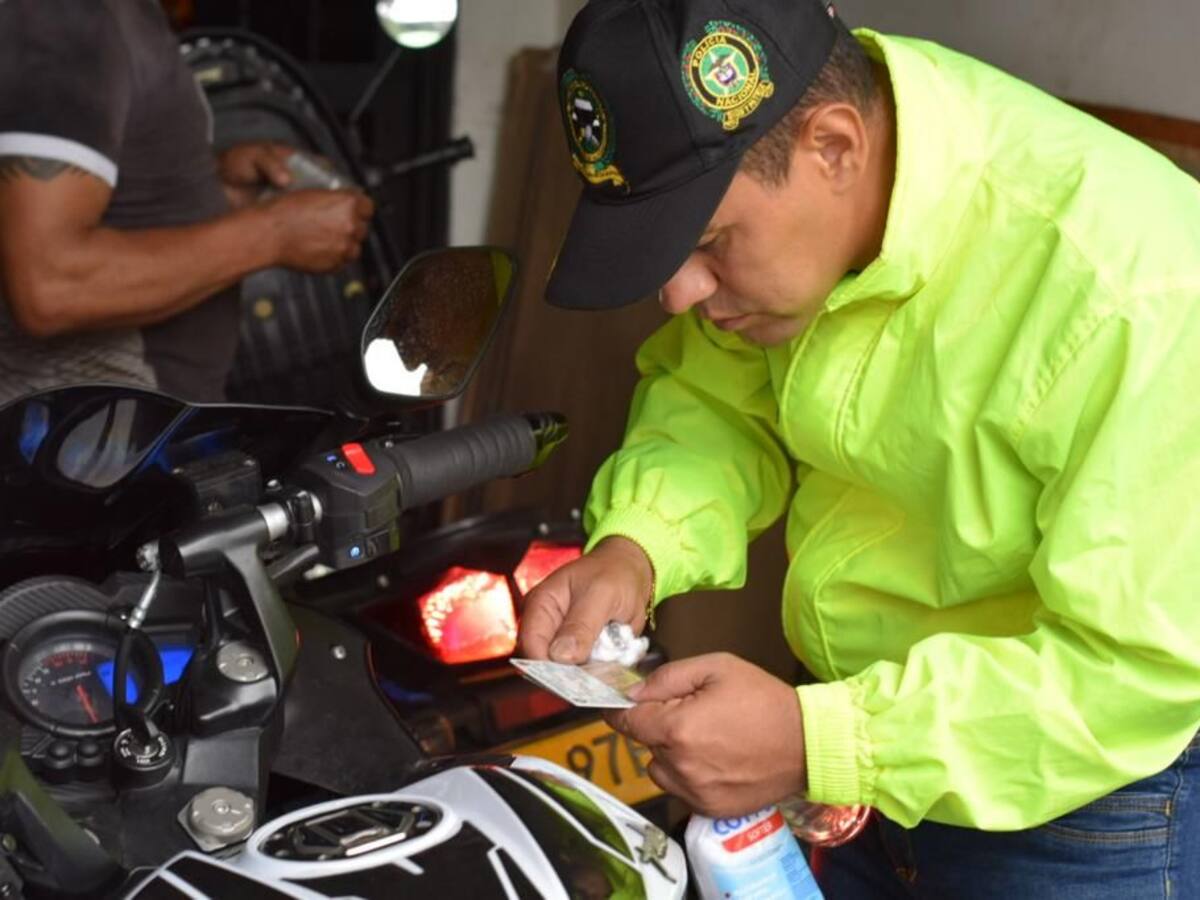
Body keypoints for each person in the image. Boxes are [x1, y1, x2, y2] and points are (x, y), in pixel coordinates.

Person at [517, 0, 1200, 895]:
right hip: (845, 744)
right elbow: (718, 398)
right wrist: (637, 546)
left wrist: (824, 741)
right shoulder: (810, 193)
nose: (679, 294)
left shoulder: (1141, 293)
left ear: (835, 148)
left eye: (710, 242)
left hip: (1073, 806)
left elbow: (1131, 670)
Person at [0, 0, 374, 404]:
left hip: (152, 420)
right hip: (92, 429)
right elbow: (50, 285)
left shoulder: (123, 15)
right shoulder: (66, 15)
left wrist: (217, 192)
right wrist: (273, 232)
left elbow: (106, 206)